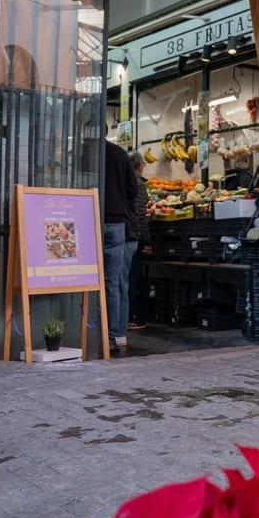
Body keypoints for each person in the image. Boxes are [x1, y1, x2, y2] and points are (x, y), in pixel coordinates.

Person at [102, 133, 137, 356]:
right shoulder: (119, 154)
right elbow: (133, 190)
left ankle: (87, 330)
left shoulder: (81, 152)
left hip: (87, 218)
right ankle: (113, 335)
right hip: (116, 222)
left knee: (83, 279)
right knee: (112, 281)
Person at [126, 150, 152, 332]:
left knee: (120, 279)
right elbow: (140, 217)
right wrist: (146, 241)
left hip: (122, 234)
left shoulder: (122, 181)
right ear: (140, 166)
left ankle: (120, 320)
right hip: (132, 237)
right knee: (132, 280)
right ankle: (129, 318)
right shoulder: (138, 185)